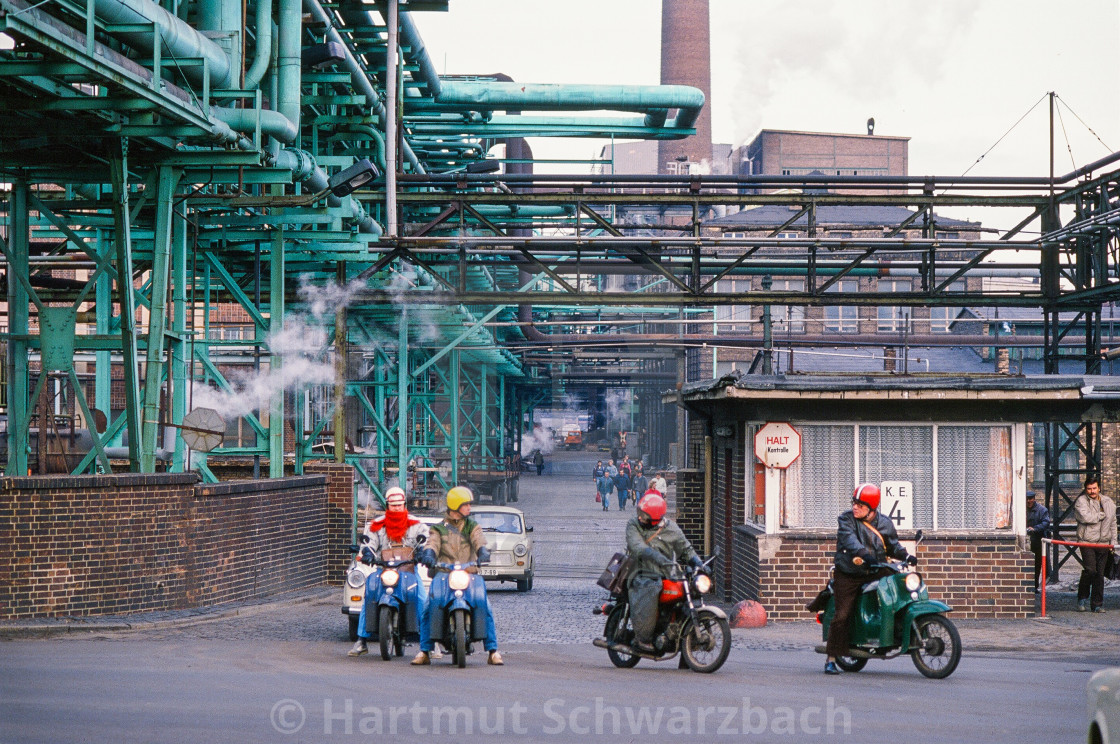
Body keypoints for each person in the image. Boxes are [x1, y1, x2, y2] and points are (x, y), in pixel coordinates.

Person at [824, 483, 914, 675]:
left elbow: (893, 546)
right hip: (849, 572)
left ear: (871, 509)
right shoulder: (846, 520)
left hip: (875, 569)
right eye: (854, 502)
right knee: (842, 614)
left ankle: (893, 628)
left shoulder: (885, 523)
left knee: (900, 583)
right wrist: (865, 554)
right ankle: (831, 658)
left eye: (860, 504)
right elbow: (850, 540)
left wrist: (906, 556)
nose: (855, 507)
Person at [413, 486, 503, 665]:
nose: (469, 507)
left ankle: (493, 651)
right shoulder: (438, 528)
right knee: (427, 608)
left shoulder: (472, 526)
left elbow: (479, 540)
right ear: (456, 505)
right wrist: (429, 555)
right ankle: (424, 650)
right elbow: (432, 543)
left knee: (485, 606)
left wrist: (483, 551)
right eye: (466, 504)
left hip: (469, 573)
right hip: (444, 574)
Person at [349, 487, 430, 657]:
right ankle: (361, 641)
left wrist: (424, 551)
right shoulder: (376, 525)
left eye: (399, 505)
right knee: (369, 598)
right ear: (387, 506)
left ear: (404, 505)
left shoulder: (416, 524)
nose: (397, 508)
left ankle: (429, 643)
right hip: (384, 570)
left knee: (422, 600)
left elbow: (426, 541)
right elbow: (368, 544)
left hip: (409, 571)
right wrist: (367, 553)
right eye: (393, 505)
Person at [625, 492, 704, 653]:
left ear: (655, 518)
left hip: (668, 573)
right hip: (641, 572)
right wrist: (653, 555)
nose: (640, 518)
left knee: (687, 590)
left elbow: (685, 548)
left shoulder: (671, 529)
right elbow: (637, 546)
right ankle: (643, 638)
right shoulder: (633, 525)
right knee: (651, 587)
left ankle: (681, 635)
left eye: (644, 516)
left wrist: (698, 562)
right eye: (640, 514)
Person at [1073, 476, 1117, 613]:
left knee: (1100, 574)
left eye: (1094, 488)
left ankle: (1097, 604)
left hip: (1104, 543)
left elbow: (1113, 523)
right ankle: (1082, 597)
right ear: (1086, 489)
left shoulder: (1109, 502)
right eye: (1089, 489)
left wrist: (1113, 543)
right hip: (1087, 541)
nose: (1092, 491)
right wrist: (1100, 515)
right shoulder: (1081, 501)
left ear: (1099, 488)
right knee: (1090, 570)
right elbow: (1085, 517)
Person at [1025, 490, 1051, 593]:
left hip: (1038, 540)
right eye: (1027, 499)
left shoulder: (1042, 510)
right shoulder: (1022, 509)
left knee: (1037, 564)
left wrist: (1035, 529)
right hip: (1026, 540)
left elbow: (1046, 523)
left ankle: (1034, 586)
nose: (1028, 501)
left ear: (1034, 499)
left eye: (1030, 499)